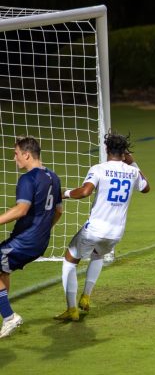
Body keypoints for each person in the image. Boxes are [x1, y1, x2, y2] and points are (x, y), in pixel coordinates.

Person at [54, 131, 150, 321]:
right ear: (125, 153)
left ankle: (72, 308)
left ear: (106, 150)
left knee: (69, 260)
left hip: (95, 229)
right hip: (116, 233)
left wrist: (63, 194)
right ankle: (87, 296)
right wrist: (133, 162)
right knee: (98, 255)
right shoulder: (132, 171)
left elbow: (85, 192)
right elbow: (146, 188)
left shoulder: (99, 168)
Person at [0, 136, 62, 338]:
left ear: (26, 154)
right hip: (40, 241)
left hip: (25, 241)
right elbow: (59, 211)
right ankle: (5, 314)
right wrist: (43, 230)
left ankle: (9, 317)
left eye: (16, 153)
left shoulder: (28, 178)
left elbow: (21, 210)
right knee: (2, 271)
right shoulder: (53, 177)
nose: (14, 158)